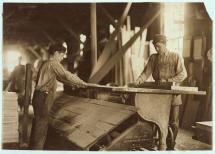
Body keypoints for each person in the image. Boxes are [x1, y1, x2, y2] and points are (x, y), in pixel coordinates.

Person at [29, 42, 88, 150]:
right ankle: (37, 150)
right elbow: (65, 75)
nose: (62, 57)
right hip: (43, 97)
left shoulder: (45, 63)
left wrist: (75, 84)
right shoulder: (53, 63)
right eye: (61, 55)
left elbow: (61, 79)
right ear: (56, 53)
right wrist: (82, 82)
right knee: (41, 127)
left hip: (38, 97)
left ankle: (33, 149)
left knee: (38, 125)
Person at [133, 34, 187, 149]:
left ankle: (171, 145)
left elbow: (183, 74)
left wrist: (168, 80)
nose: (157, 49)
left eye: (158, 46)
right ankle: (159, 142)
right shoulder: (153, 58)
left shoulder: (175, 56)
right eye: (155, 47)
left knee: (173, 122)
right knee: (157, 119)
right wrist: (139, 80)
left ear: (164, 44)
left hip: (173, 94)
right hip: (158, 95)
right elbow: (146, 73)